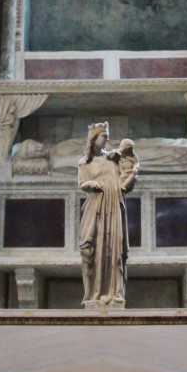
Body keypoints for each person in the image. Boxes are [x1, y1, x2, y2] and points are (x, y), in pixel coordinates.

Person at [78, 122, 130, 307]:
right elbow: (82, 183)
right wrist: (91, 184)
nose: (107, 140)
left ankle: (114, 292)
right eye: (103, 136)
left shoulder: (113, 159)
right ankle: (93, 293)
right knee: (90, 247)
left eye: (107, 136)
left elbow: (128, 175)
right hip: (95, 207)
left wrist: (130, 170)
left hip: (113, 208)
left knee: (113, 249)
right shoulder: (85, 162)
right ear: (94, 138)